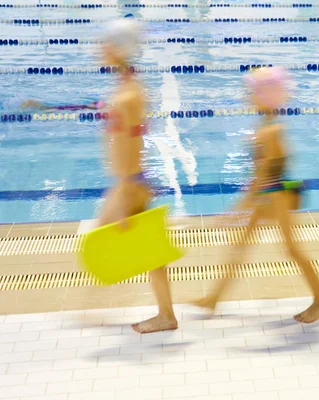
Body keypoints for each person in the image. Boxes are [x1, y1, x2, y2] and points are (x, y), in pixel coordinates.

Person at [193, 67, 319, 323]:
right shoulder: (267, 126)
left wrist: (236, 210)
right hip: (270, 193)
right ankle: (213, 299)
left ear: (265, 96)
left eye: (252, 92)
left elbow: (264, 175)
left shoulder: (270, 130)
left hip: (276, 195)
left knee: (291, 250)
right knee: (241, 246)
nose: (247, 96)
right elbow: (267, 170)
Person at [99, 18, 177, 333]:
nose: (99, 47)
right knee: (149, 250)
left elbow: (134, 144)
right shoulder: (128, 88)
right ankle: (165, 314)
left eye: (105, 42)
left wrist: (129, 187)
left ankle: (164, 315)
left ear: (118, 49)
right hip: (129, 181)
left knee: (113, 242)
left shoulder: (130, 95)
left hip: (129, 182)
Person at [20, 100, 105, 111]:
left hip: (62, 108)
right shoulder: (85, 107)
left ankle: (28, 103)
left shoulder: (84, 106)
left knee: (43, 108)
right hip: (60, 109)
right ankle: (27, 103)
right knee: (43, 109)